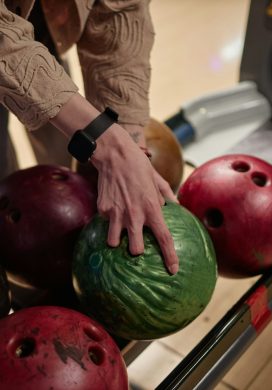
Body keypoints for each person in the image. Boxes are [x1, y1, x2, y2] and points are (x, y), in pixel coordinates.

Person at [0, 0, 179, 274]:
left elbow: (120, 7)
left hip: (40, 26)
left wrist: (129, 142)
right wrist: (109, 145)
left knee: (72, 176)